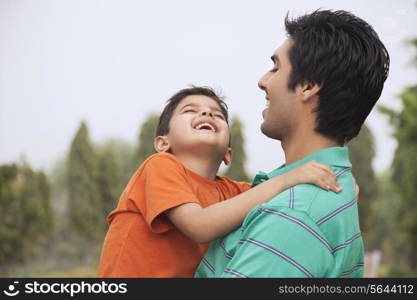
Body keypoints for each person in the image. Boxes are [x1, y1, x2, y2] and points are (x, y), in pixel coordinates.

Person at [195, 9, 389, 278]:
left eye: (276, 67)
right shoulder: (322, 195)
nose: (262, 81)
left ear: (308, 86)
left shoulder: (292, 216)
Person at [97, 86, 341, 277]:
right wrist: (290, 178)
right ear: (163, 143)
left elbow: (284, 194)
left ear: (228, 154)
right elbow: (199, 226)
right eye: (190, 110)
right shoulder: (159, 166)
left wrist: (332, 180)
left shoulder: (233, 193)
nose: (205, 113)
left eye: (216, 114)